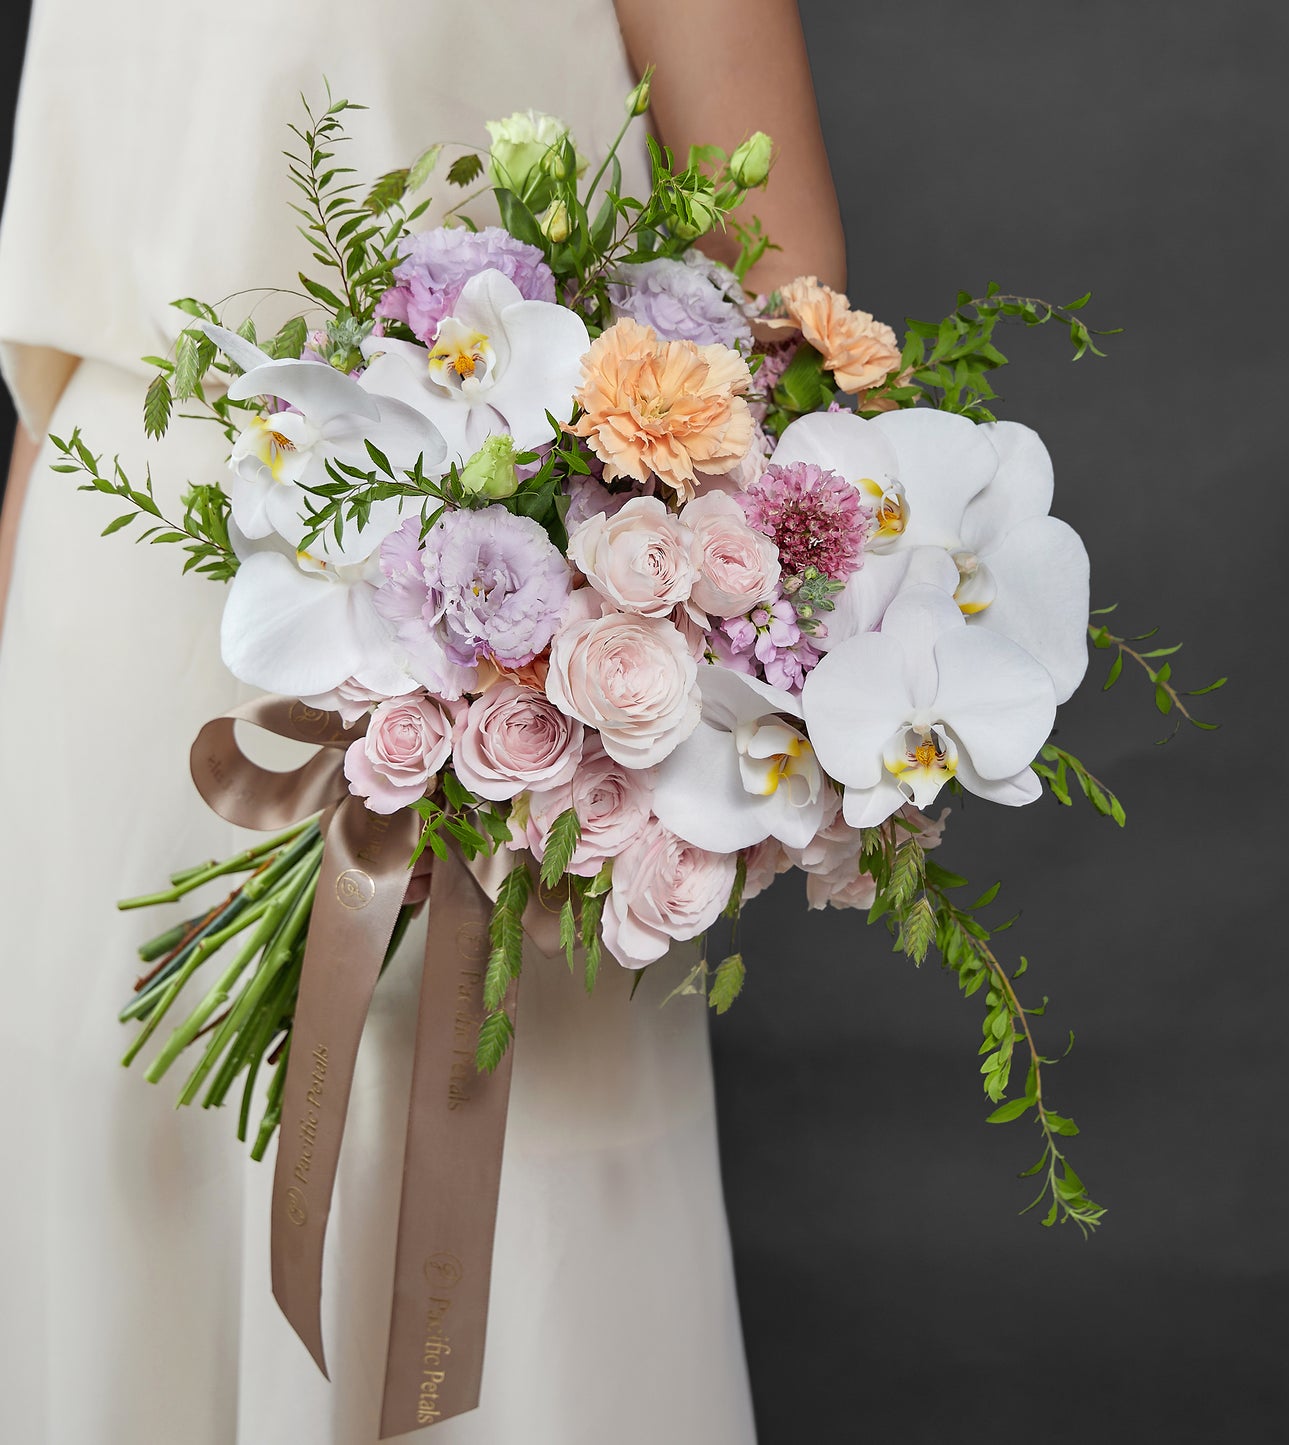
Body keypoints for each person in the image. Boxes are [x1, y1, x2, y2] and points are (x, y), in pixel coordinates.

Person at [0, 2, 844, 1441]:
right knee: (114, 1212)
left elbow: (783, 282)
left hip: (473, 613)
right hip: (111, 615)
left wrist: (613, 616)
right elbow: (68, 331)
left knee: (474, 1221)